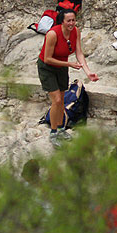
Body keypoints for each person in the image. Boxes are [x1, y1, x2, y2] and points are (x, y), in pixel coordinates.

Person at [37, 9, 98, 145]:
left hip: (62, 67)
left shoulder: (75, 31)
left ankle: (60, 128)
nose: (71, 23)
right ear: (62, 21)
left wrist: (88, 72)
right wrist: (69, 63)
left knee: (63, 99)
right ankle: (53, 133)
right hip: (47, 68)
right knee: (57, 100)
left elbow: (79, 53)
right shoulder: (53, 34)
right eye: (68, 21)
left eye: (73, 20)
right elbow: (47, 59)